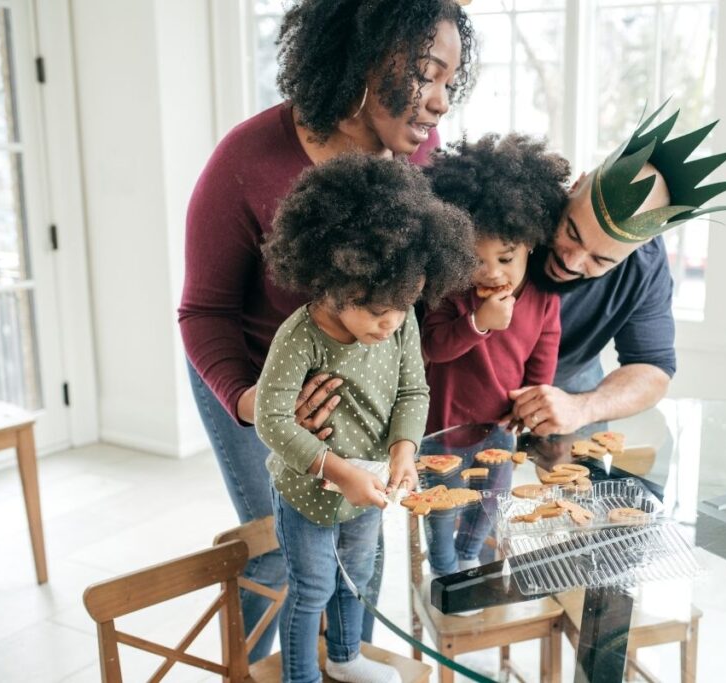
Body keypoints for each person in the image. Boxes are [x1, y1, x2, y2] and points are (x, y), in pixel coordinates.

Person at [177, 0, 475, 658]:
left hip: (357, 384)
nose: (440, 104)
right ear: (362, 54)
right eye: (427, 73)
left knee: (358, 550)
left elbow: (411, 314)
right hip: (253, 381)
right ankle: (263, 672)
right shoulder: (246, 162)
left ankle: (343, 665)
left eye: (451, 83)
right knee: (279, 556)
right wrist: (255, 403)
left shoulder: (419, 159)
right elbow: (203, 313)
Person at [256, 155, 476, 683]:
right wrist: (338, 473)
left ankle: (346, 657)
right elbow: (271, 421)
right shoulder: (299, 336)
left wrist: (404, 450)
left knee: (355, 576)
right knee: (311, 589)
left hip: (370, 484)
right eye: (377, 307)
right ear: (334, 280)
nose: (392, 321)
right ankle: (300, 676)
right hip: (309, 491)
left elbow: (413, 389)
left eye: (405, 304)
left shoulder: (399, 323)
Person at [508, 101, 726, 436]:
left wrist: (581, 407)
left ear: (636, 250)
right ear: (576, 185)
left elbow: (653, 368)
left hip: (568, 386)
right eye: (572, 232)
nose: (571, 262)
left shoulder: (645, 265)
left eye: (600, 260)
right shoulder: (510, 209)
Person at [419, 133, 569, 577]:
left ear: (530, 245)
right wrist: (478, 323)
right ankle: (445, 572)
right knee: (441, 508)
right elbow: (432, 347)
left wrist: (531, 405)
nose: (490, 272)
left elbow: (542, 363)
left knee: (491, 500)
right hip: (441, 426)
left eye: (505, 258)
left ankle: (469, 558)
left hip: (500, 427)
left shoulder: (543, 299)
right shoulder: (451, 291)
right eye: (474, 258)